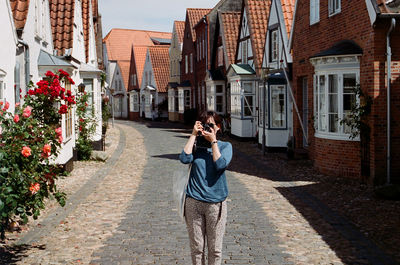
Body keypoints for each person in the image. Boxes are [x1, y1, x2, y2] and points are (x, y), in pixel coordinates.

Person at [179, 111, 233, 265]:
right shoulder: (196, 147)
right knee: (197, 248)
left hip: (216, 205)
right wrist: (194, 135)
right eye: (205, 125)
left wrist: (213, 142)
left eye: (211, 125)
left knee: (215, 249)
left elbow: (220, 165)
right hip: (193, 203)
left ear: (218, 127)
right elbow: (184, 158)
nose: (208, 128)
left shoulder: (225, 146)